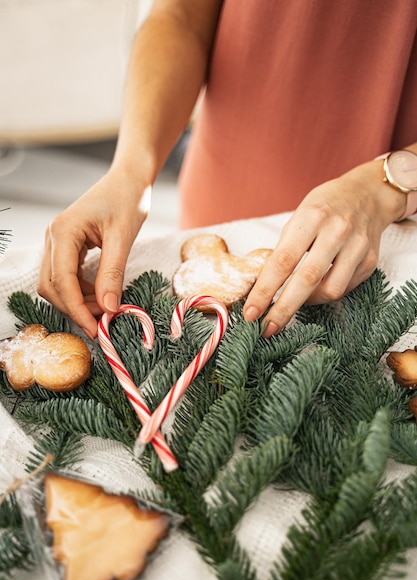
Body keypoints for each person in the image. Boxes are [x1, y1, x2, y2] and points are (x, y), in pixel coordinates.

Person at [38, 0, 417, 340]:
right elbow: (182, 18)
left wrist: (384, 187)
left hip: (390, 229)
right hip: (226, 183)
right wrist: (131, 171)